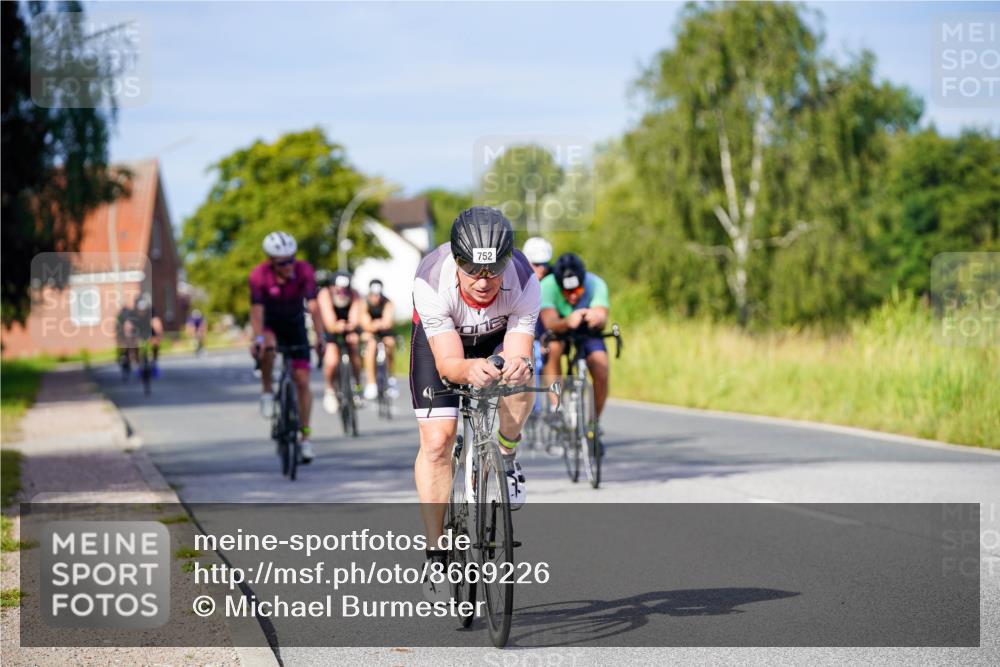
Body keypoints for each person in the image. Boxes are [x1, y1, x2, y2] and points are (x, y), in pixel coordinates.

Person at [411, 206, 539, 597]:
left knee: (518, 384)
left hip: (497, 337)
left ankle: (507, 454)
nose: (484, 281)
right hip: (444, 346)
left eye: (493, 269)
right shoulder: (431, 280)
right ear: (456, 260)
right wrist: (468, 370)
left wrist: (517, 367)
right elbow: (449, 363)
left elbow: (519, 350)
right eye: (473, 270)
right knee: (438, 440)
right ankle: (436, 547)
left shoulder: (523, 278)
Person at [249, 231, 321, 463]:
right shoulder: (259, 276)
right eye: (283, 262)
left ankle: (306, 438)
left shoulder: (304, 271)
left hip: (295, 323)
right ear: (271, 261)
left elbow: (314, 306)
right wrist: (258, 339)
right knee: (267, 347)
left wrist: (320, 336)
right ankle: (268, 391)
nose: (289, 265)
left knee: (302, 381)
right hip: (270, 323)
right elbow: (257, 311)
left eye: (292, 259)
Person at [539, 253, 610, 427]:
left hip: (586, 327)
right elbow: (550, 322)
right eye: (567, 292)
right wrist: (568, 321)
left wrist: (597, 317)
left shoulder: (595, 283)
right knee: (553, 348)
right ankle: (557, 406)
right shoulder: (546, 286)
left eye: (578, 291)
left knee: (601, 365)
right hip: (560, 324)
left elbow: (602, 315)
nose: (573, 297)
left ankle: (594, 424)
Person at [317, 269, 362, 414]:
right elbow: (329, 321)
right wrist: (336, 326)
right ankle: (330, 390)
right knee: (331, 360)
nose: (342, 292)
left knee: (354, 349)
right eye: (338, 289)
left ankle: (357, 387)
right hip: (330, 329)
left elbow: (355, 316)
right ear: (332, 287)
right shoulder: (324, 295)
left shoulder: (354, 295)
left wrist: (351, 327)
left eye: (345, 289)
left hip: (348, 327)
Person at [359, 278, 397, 400]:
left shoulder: (387, 302)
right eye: (373, 295)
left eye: (378, 295)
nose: (376, 298)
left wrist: (377, 324)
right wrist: (373, 325)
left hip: (384, 332)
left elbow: (388, 321)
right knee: (371, 346)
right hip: (370, 333)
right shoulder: (364, 302)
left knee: (390, 344)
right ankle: (371, 383)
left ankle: (391, 378)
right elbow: (365, 322)